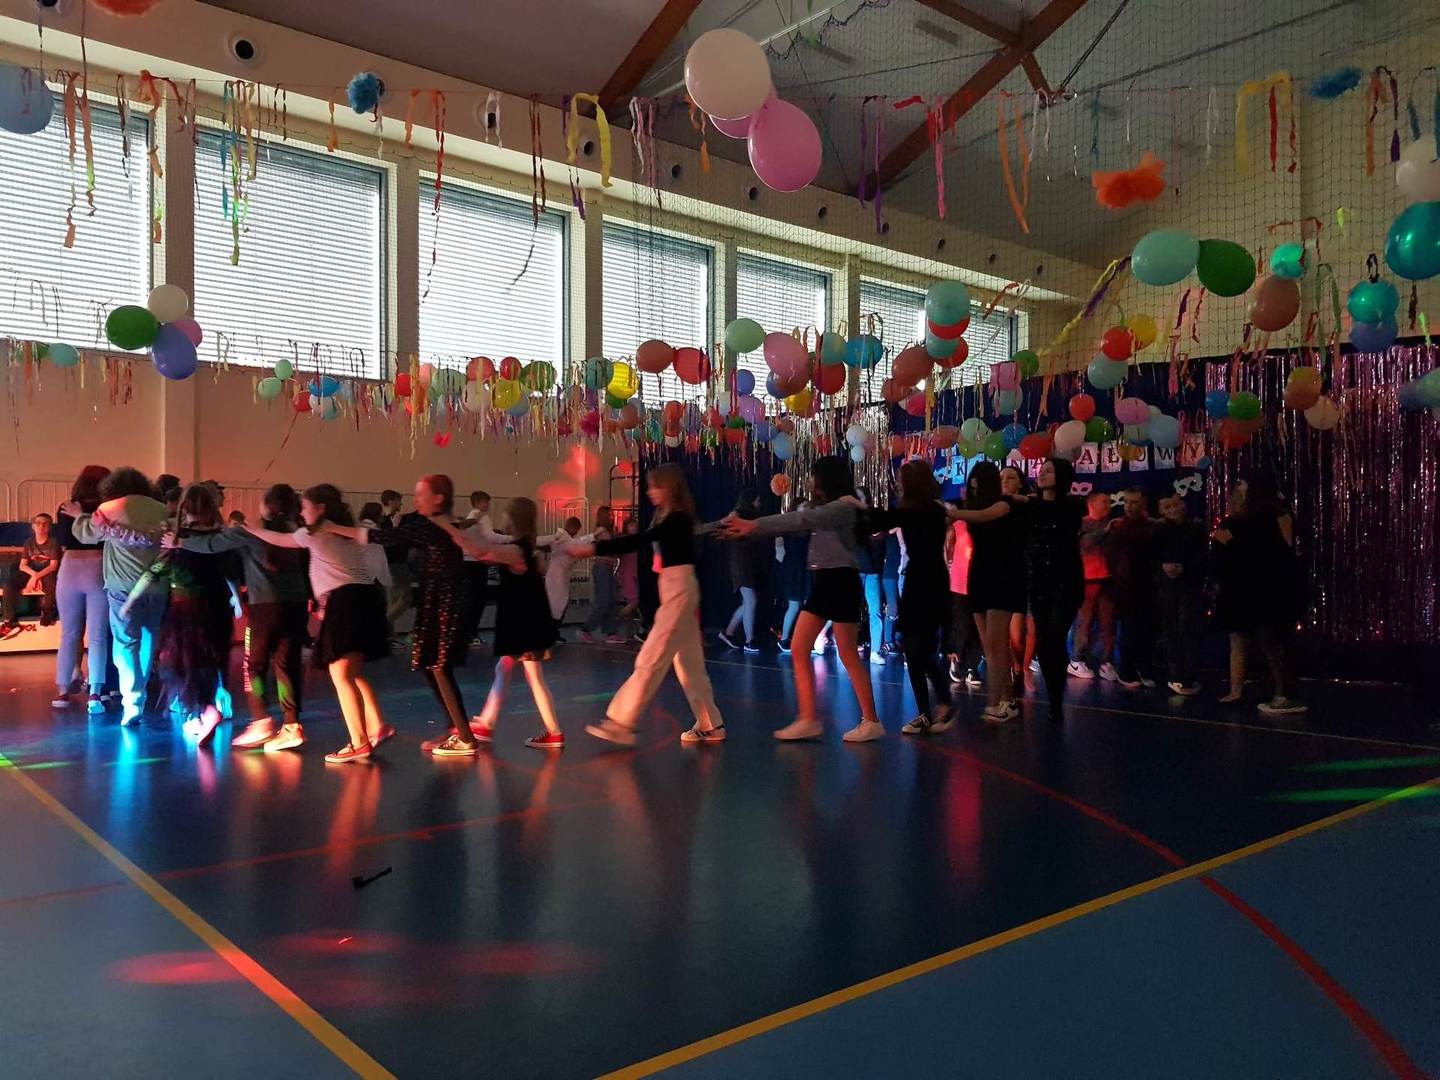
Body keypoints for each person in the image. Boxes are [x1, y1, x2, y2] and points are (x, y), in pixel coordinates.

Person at [347, 475, 522, 758]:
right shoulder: (435, 522)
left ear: (438, 498)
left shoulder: (430, 524)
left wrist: (333, 528)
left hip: (446, 602)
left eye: (421, 494)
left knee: (438, 665)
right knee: (431, 664)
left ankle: (465, 737)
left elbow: (383, 537)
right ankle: (456, 728)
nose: (416, 499)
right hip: (438, 600)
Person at [725, 457, 882, 742]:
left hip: (838, 581)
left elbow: (800, 519)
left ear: (826, 479)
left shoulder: (842, 508)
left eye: (813, 476)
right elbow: (799, 521)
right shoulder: (834, 508)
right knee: (812, 648)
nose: (810, 481)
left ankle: (857, 720)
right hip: (831, 581)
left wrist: (753, 524)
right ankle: (816, 718)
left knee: (833, 651)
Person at [570, 464, 725, 746]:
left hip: (679, 589)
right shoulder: (667, 516)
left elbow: (639, 540)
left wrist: (592, 548)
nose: (650, 492)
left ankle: (621, 722)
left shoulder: (677, 518)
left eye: (655, 486)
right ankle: (710, 723)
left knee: (651, 658)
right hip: (675, 588)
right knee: (689, 664)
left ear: (669, 488)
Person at [244, 485, 393, 763]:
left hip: (346, 603)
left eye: (306, 507)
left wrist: (249, 529)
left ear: (321, 508)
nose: (302, 512)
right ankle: (377, 724)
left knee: (341, 674)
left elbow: (280, 539)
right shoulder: (345, 531)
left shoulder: (314, 534)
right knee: (352, 672)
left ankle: (359, 742)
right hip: (366, 599)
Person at [174, 484, 311, 751]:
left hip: (265, 606)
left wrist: (178, 542)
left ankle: (260, 720)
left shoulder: (251, 531)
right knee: (287, 664)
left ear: (266, 504)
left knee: (254, 665)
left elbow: (211, 545)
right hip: (296, 604)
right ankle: (292, 725)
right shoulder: (297, 531)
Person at [65, 467, 169, 726]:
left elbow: (86, 535)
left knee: (125, 644)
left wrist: (79, 516)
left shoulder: (110, 508)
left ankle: (132, 701)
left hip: (122, 586)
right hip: (156, 586)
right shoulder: (161, 509)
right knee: (148, 640)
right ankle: (141, 693)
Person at [463, 497, 564, 749]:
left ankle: (552, 731)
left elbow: (481, 552)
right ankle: (489, 722)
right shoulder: (526, 549)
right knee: (508, 669)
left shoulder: (518, 550)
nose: (502, 518)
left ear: (513, 518)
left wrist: (452, 529)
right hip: (526, 622)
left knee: (529, 675)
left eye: (506, 514)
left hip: (523, 625)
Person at [864, 460, 954, 735]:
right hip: (923, 577)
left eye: (901, 479)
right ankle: (930, 710)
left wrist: (857, 507)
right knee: (915, 649)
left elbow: (881, 520)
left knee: (919, 648)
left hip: (926, 580)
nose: (897, 484)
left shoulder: (918, 510)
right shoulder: (928, 509)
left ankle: (941, 704)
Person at [1212, 473, 1306, 716]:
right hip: (1243, 587)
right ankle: (1242, 690)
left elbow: (1272, 554)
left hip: (1267, 589)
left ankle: (1284, 694)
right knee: (1246, 639)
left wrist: (1231, 544)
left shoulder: (1270, 519)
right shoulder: (1240, 521)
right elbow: (1224, 554)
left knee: (1272, 641)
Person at [945, 461, 1026, 725]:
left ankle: (995, 702)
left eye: (978, 486)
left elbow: (985, 516)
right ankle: (1007, 699)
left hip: (1004, 575)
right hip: (979, 573)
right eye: (971, 487)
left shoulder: (1007, 504)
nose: (973, 491)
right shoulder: (972, 506)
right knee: (989, 645)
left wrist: (954, 512)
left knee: (997, 642)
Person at [155, 484, 237, 745]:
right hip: (218, 605)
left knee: (185, 663)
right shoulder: (221, 537)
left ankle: (203, 711)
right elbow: (230, 572)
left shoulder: (180, 538)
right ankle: (205, 710)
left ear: (185, 507)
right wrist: (237, 598)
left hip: (187, 608)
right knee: (210, 660)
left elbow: (163, 567)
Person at [1018, 459, 1085, 723]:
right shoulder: (1030, 506)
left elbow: (1062, 522)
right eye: (1041, 470)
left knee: (1055, 637)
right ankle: (1053, 696)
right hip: (1039, 582)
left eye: (1049, 471)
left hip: (1066, 582)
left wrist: (1028, 502)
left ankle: (1056, 702)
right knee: (1045, 643)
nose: (1042, 474)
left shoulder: (1072, 506)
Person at [51, 465, 113, 712]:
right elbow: (103, 538)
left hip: (70, 567)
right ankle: (95, 691)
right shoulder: (107, 509)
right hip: (98, 566)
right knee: (98, 635)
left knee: (69, 633)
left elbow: (64, 541)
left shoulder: (65, 506)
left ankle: (63, 690)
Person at [1155, 494, 1207, 696]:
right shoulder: (1158, 530)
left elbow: (1202, 555)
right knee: (1172, 628)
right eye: (1167, 507)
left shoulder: (1195, 528)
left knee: (1188, 627)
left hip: (1190, 583)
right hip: (1167, 586)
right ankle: (1177, 675)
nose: (1173, 510)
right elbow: (1151, 555)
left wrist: (1185, 567)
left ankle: (1189, 674)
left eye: (1176, 505)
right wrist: (1163, 566)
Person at [1108, 488, 1159, 689]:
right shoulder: (1118, 527)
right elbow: (1112, 557)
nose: (1129, 506)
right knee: (1128, 629)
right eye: (1126, 502)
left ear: (1143, 503)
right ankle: (1126, 670)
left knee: (1146, 629)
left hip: (1148, 584)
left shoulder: (1152, 527)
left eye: (1134, 502)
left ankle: (1144, 668)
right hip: (1125, 586)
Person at [1068, 492, 1118, 681]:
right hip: (1087, 580)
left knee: (1108, 623)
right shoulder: (1082, 523)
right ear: (1092, 503)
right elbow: (1085, 544)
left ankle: (1106, 662)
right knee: (1084, 621)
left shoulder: (1113, 525)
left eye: (1110, 502)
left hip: (1108, 579)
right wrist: (1105, 531)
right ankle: (1076, 660)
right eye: (1104, 502)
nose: (1108, 505)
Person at [1001, 465, 1038, 692]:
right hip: (1003, 572)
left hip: (1028, 571)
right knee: (1011, 634)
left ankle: (1022, 668)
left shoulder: (1029, 506)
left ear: (1020, 482)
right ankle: (1015, 669)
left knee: (1026, 630)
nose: (1005, 481)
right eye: (1001, 477)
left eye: (1011, 477)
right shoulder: (994, 506)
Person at [945, 471, 983, 689]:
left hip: (980, 581)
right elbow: (948, 552)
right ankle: (957, 660)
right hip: (959, 582)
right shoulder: (958, 524)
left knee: (978, 626)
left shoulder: (987, 521)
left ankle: (972, 666)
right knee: (961, 625)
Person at [718, 491, 766, 654]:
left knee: (748, 601)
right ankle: (749, 640)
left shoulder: (749, 518)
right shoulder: (738, 515)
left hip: (747, 563)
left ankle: (728, 632)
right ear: (750, 501)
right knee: (750, 600)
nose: (759, 504)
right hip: (742, 563)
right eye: (757, 501)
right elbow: (727, 522)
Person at [3, 513, 60, 635]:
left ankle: (48, 611)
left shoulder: (53, 543)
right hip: (32, 571)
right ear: (33, 526)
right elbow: (22, 565)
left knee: (52, 585)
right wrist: (34, 576)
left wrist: (37, 577)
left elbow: (53, 566)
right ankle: (9, 620)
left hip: (47, 572)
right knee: (9, 585)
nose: (41, 526)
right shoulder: (29, 542)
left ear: (49, 527)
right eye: (38, 523)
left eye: (44, 524)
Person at [580, 505, 623, 644]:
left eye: (612, 514)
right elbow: (592, 544)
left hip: (608, 568)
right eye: (609, 514)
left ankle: (611, 632)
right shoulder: (601, 531)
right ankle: (586, 629)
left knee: (611, 600)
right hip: (602, 568)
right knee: (603, 601)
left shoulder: (610, 532)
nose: (612, 517)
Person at [855, 487, 888, 667]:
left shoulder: (875, 516)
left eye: (861, 497)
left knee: (875, 611)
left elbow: (880, 537)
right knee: (850, 609)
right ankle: (847, 645)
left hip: (872, 570)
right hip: (856, 568)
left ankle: (875, 650)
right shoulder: (852, 519)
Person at [773, 499, 810, 653]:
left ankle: (795, 637)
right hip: (793, 568)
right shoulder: (789, 527)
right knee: (794, 605)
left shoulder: (807, 526)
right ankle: (784, 638)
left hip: (802, 568)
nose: (807, 509)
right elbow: (779, 548)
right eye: (804, 506)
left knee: (801, 605)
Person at [375, 489, 412, 639]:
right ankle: (382, 626)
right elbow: (391, 540)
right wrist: (397, 528)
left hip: (389, 564)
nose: (401, 504)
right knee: (405, 599)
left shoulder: (382, 521)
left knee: (392, 601)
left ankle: (388, 636)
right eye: (398, 501)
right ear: (391, 501)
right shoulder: (390, 522)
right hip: (396, 563)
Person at [541, 516, 585, 631]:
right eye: (576, 529)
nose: (576, 532)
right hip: (558, 577)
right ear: (572, 527)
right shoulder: (562, 538)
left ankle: (553, 630)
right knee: (557, 605)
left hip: (559, 576)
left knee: (558, 604)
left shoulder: (563, 539)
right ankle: (552, 630)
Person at [615, 518, 642, 641]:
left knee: (632, 604)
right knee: (634, 601)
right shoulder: (625, 540)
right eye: (631, 525)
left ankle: (628, 633)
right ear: (626, 527)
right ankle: (616, 621)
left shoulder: (638, 540)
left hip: (635, 574)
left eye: (635, 525)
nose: (634, 528)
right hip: (627, 574)